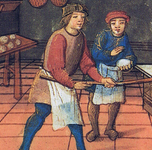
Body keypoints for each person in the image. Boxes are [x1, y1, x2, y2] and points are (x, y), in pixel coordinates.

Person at [21, 3, 115, 150]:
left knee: (73, 118)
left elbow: (86, 64)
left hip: (64, 81)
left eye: (82, 17)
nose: (80, 20)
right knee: (41, 113)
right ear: (67, 19)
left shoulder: (81, 37)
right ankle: (24, 147)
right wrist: (73, 84)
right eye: (75, 17)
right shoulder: (59, 37)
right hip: (49, 81)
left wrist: (101, 79)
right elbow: (56, 68)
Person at [84, 10, 137, 141]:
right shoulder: (103, 35)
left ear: (126, 24)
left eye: (121, 23)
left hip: (115, 73)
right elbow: (95, 53)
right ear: (109, 25)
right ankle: (94, 130)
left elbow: (130, 54)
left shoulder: (125, 37)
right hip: (99, 71)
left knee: (115, 101)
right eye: (114, 23)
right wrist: (110, 54)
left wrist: (129, 62)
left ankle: (109, 128)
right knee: (93, 101)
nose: (117, 26)